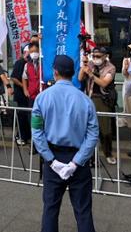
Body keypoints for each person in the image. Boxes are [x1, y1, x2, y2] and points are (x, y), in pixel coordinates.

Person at [31, 55, 99, 232]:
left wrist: (51, 160)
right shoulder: (86, 101)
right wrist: (76, 162)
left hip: (53, 158)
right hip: (79, 161)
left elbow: (37, 132)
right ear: (74, 73)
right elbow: (93, 135)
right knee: (83, 211)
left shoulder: (42, 98)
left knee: (50, 209)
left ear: (55, 72)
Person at [79, 46, 117, 165]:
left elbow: (104, 83)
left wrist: (91, 74)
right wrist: (84, 66)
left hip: (102, 99)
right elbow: (80, 78)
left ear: (105, 56)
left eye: (98, 56)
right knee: (87, 128)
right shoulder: (90, 64)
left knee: (105, 129)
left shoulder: (111, 67)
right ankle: (89, 154)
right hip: (89, 97)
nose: (95, 58)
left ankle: (108, 153)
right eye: (94, 56)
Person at [11, 45, 31, 146]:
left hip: (28, 95)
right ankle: (21, 136)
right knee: (22, 116)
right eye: (29, 52)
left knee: (28, 116)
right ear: (25, 53)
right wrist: (24, 87)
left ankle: (26, 136)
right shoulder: (20, 63)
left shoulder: (30, 63)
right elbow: (14, 78)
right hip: (21, 95)